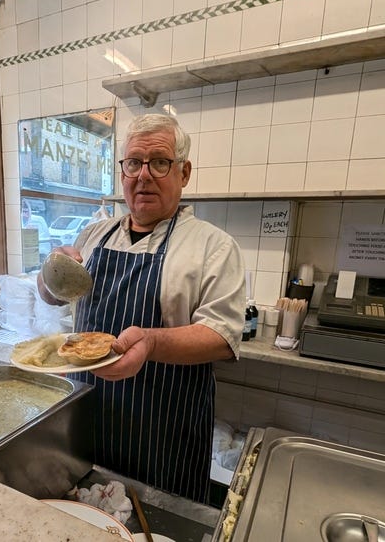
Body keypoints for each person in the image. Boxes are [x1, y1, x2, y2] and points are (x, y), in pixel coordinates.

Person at [38, 113, 246, 502]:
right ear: (122, 172)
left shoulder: (213, 247)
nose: (143, 175)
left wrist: (149, 342)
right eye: (133, 162)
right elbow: (52, 296)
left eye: (159, 162)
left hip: (165, 431)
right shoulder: (94, 233)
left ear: (183, 173)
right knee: (88, 514)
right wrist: (50, 272)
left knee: (161, 523)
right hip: (88, 419)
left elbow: (223, 336)